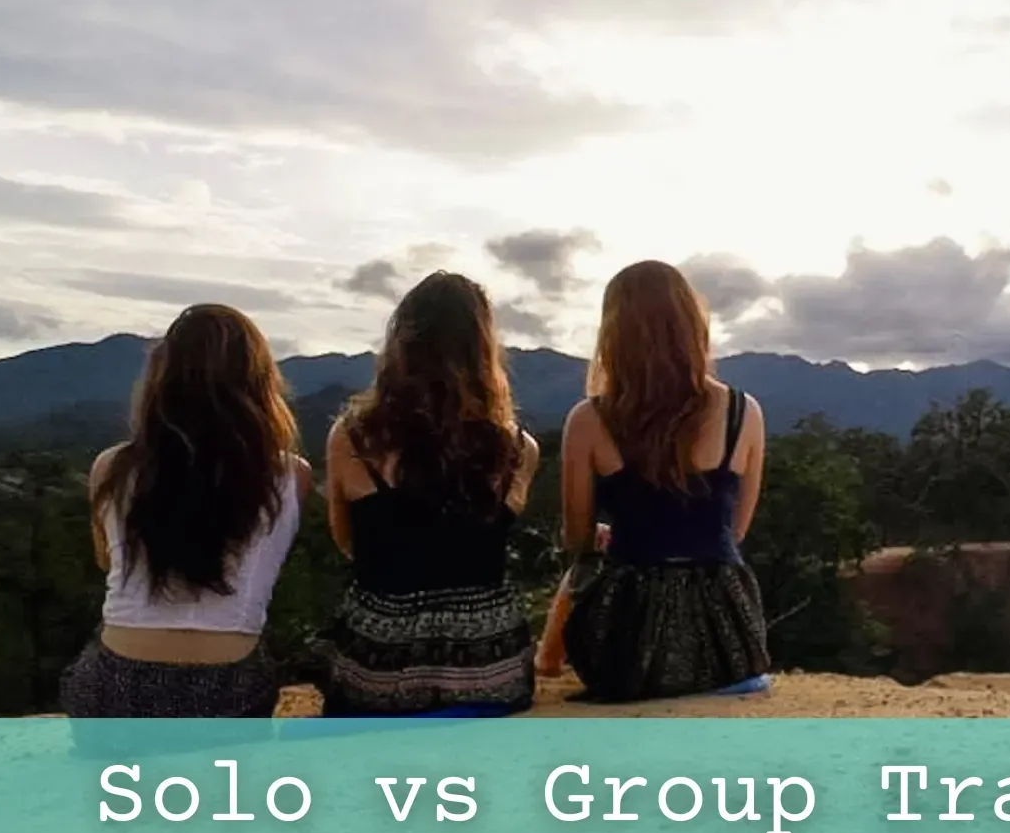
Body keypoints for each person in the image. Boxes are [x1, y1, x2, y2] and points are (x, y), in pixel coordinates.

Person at [307, 271, 541, 716]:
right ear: (483, 348)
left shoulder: (352, 438)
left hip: (377, 671)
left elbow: (347, 542)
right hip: (490, 670)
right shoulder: (518, 449)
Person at [60, 304, 309, 718]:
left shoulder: (113, 468)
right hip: (227, 688)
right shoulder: (289, 475)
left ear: (162, 376)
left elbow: (108, 563)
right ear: (260, 381)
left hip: (116, 686)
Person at [545, 259, 771, 701]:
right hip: (730, 646)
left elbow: (577, 538)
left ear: (612, 333)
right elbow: (734, 532)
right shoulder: (746, 412)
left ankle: (545, 660)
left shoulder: (589, 419)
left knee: (585, 567)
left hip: (630, 651)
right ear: (692, 324)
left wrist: (608, 535)